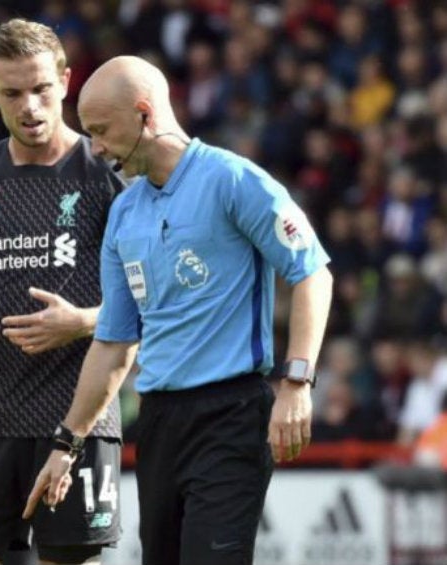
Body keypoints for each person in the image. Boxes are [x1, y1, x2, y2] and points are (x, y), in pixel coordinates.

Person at [24, 55, 334, 565]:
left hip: (231, 413)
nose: (95, 148)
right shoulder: (124, 211)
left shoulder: (233, 179)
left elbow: (311, 272)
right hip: (160, 420)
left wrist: (296, 382)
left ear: (145, 113)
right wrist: (67, 443)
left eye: (101, 131)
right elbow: (114, 341)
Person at [0, 19, 125, 565]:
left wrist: (82, 321)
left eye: (41, 88)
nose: (30, 106)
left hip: (78, 420)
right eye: (13, 93)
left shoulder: (105, 177)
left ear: (67, 81)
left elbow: (155, 300)